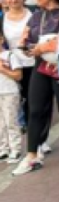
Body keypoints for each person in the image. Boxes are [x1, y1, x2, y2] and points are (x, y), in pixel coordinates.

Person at [12, 0, 59, 176]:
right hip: (40, 67)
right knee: (35, 110)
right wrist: (27, 49)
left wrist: (47, 47)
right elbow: (26, 40)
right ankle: (32, 153)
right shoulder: (35, 17)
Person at [1, 0, 33, 146]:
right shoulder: (2, 18)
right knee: (12, 103)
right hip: (10, 65)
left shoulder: (33, 15)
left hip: (32, 63)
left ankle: (38, 139)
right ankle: (10, 143)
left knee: (33, 102)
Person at [0, 35, 23, 165]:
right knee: (1, 123)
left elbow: (18, 75)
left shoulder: (10, 56)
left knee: (11, 121)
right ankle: (3, 148)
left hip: (9, 92)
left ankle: (16, 149)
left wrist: (3, 69)